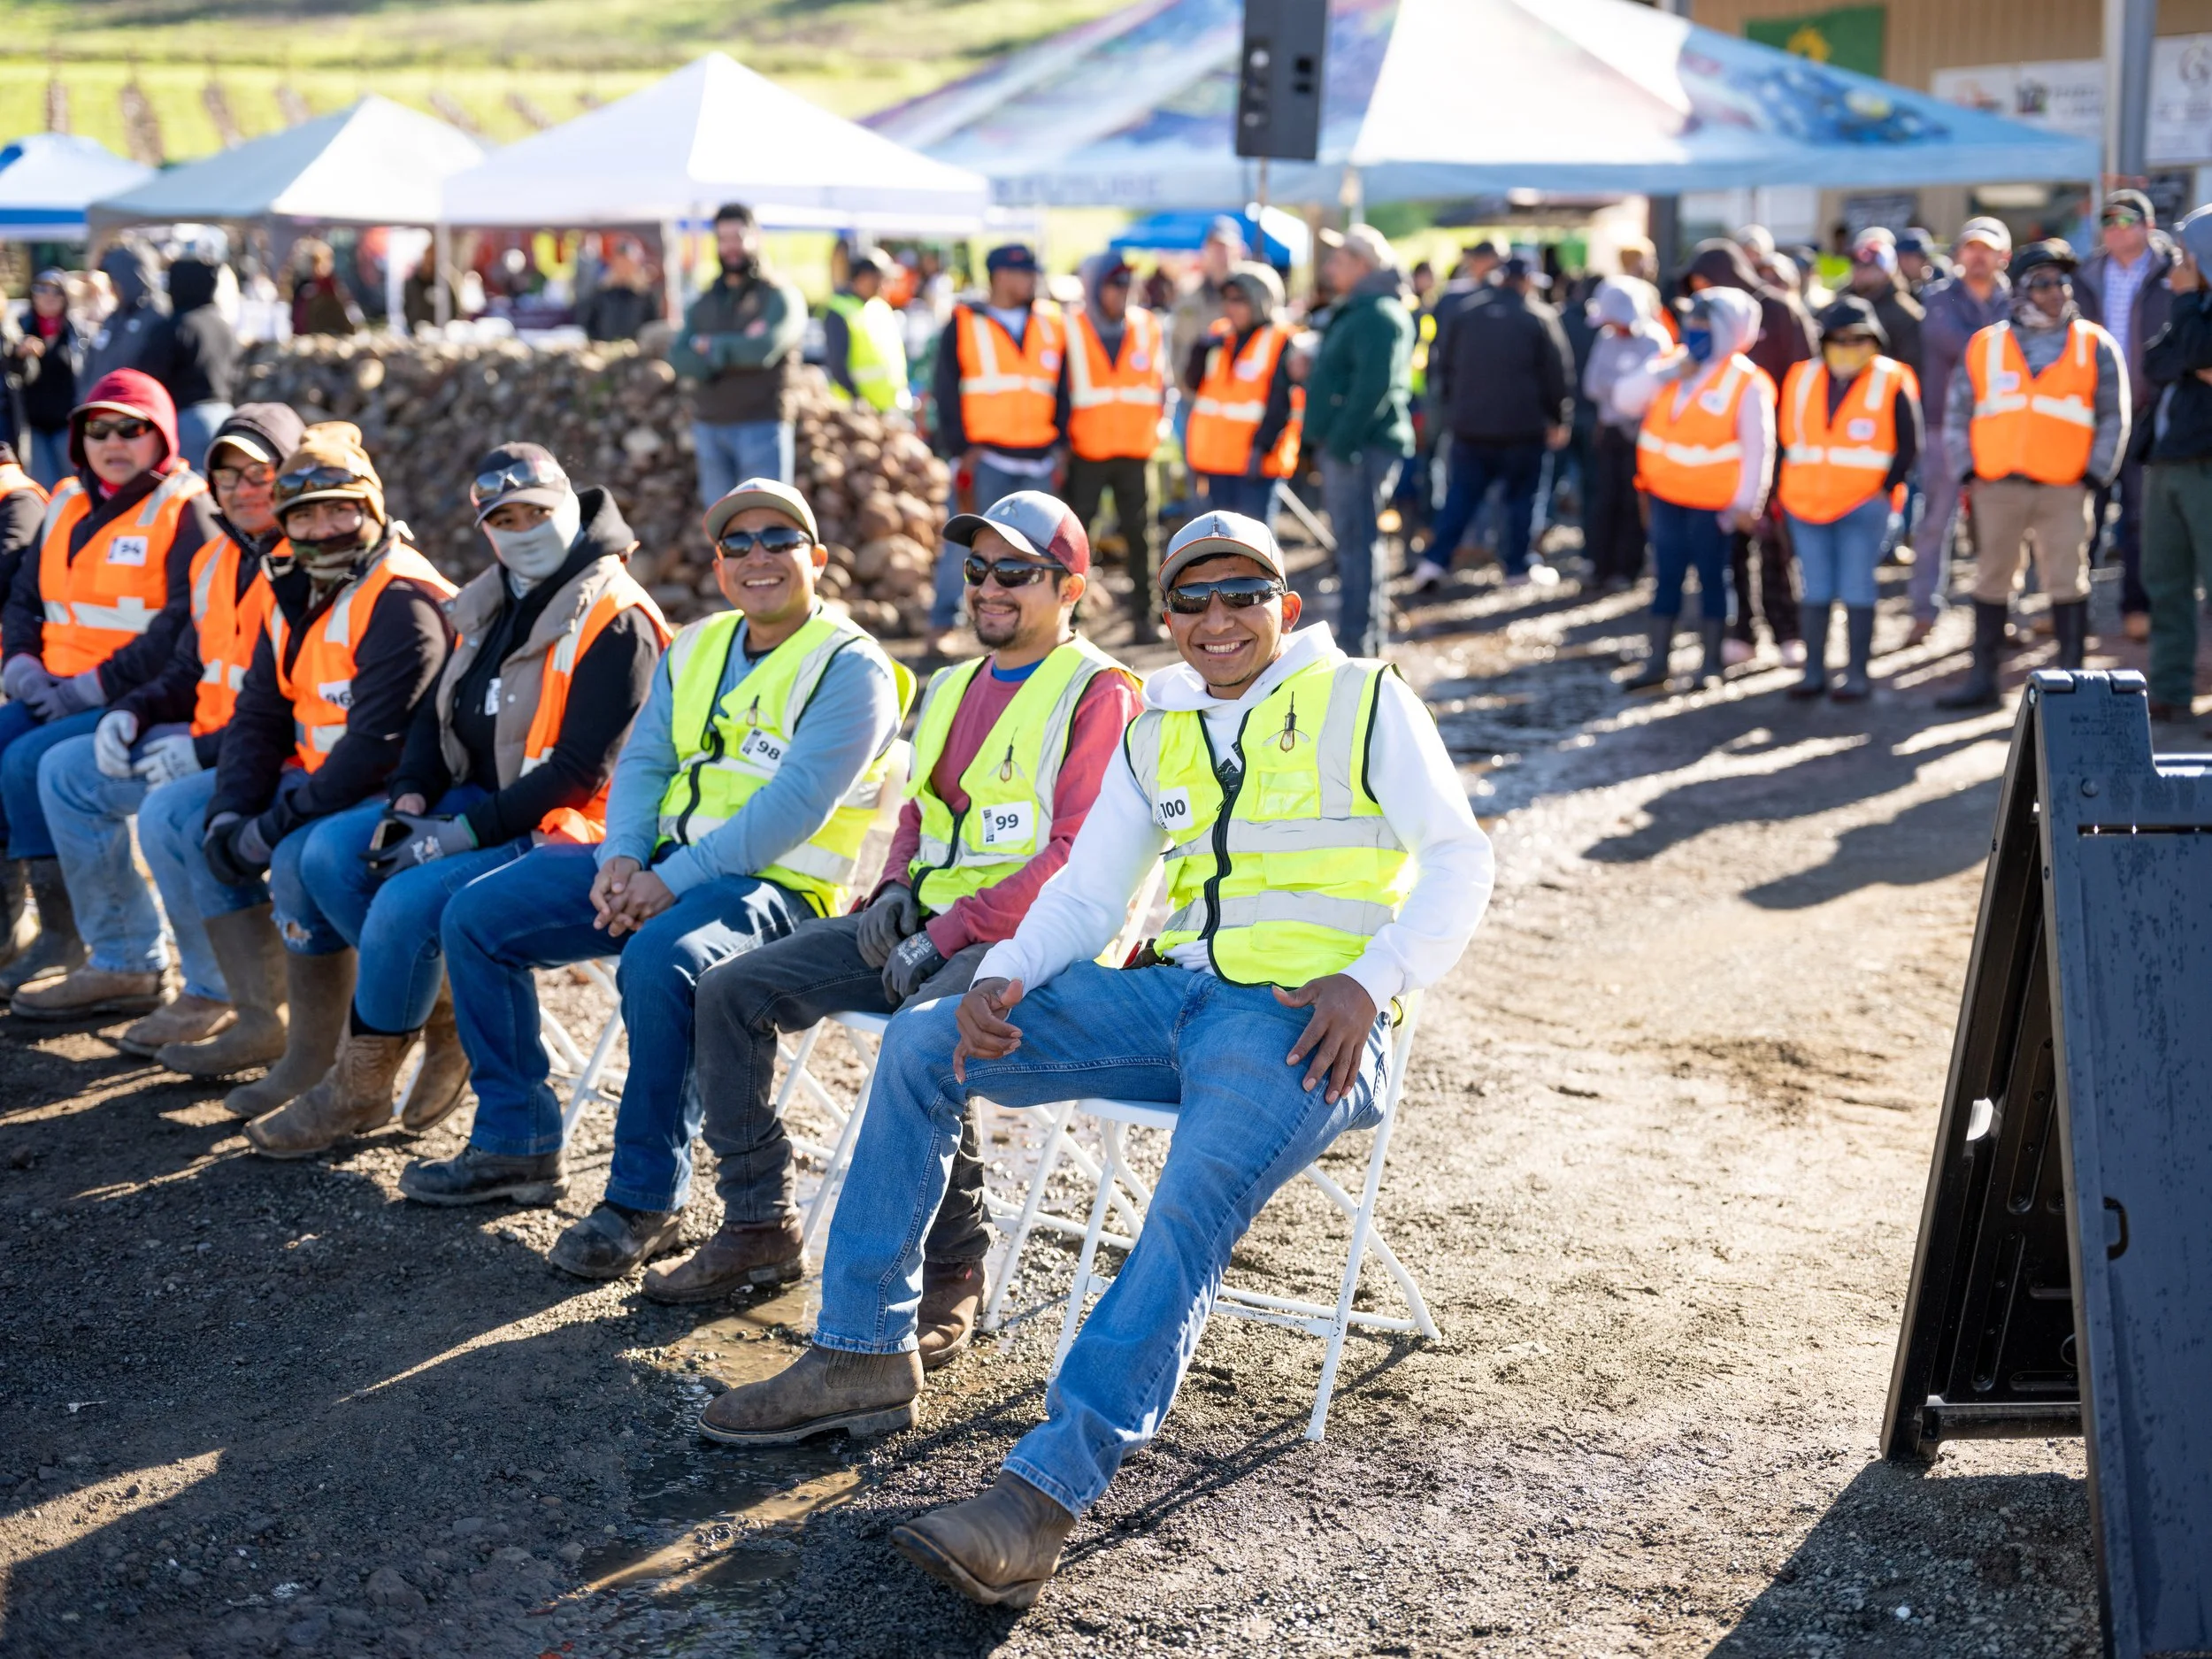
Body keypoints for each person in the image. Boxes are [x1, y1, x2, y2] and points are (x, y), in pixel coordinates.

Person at [694, 509, 1493, 1607]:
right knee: (929, 1041)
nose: (1217, 618)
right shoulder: (1157, 721)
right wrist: (999, 978)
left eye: (1242, 595)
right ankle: (865, 1349)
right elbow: (1087, 892)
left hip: (1309, 1017)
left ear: (1285, 608)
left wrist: (1376, 979)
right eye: (1193, 600)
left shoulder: (1363, 698)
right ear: (1164, 617)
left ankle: (1038, 1502)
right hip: (1170, 996)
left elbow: (1460, 856)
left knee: (1184, 1208)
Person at [657, 493, 1139, 1361]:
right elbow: (919, 818)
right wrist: (888, 890)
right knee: (731, 989)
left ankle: (953, 1265)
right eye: (980, 569)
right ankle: (760, 1218)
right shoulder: (953, 680)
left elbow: (1070, 856)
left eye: (1016, 574)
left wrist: (947, 935)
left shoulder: (1101, 694)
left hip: (1032, 937)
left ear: (1070, 588)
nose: (988, 588)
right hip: (925, 920)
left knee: (922, 1036)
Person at [396, 478, 911, 1282]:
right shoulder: (701, 645)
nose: (757, 557)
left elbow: (796, 807)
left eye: (778, 540)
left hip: (774, 886)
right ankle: (516, 1143)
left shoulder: (852, 668)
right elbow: (644, 763)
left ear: (816, 558)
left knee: (660, 959)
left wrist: (669, 879)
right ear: (718, 565)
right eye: (736, 544)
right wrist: (621, 859)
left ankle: (645, 1199)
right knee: (478, 916)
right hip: (657, 867)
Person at [241, 444, 667, 1156]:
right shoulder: (500, 594)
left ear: (570, 506)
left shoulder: (617, 617)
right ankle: (441, 1017)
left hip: (576, 827)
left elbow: (580, 773)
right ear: (486, 528)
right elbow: (438, 721)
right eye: (504, 516)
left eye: (537, 511)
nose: (523, 527)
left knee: (409, 904)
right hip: (488, 797)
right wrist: (409, 797)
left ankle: (360, 1085)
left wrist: (457, 834)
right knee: (330, 855)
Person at [184, 423, 455, 1124]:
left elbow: (374, 748)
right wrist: (227, 814)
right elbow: (258, 717)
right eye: (304, 514)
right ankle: (294, 1042)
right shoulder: (294, 587)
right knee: (188, 818)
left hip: (403, 789)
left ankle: (443, 1016)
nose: (325, 527)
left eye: (342, 509)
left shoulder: (405, 599)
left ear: (372, 509)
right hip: (322, 780)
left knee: (306, 855)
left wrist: (266, 829)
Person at [19, 405, 302, 1037]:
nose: (241, 491)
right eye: (228, 479)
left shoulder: (310, 561)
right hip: (211, 742)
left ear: (290, 474)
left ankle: (228, 996)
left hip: (276, 760)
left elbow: (293, 706)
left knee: (171, 812)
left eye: (259, 474)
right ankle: (125, 961)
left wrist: (202, 752)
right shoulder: (220, 558)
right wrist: (130, 710)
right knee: (68, 770)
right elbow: (183, 666)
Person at [0, 370, 222, 997]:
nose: (114, 441)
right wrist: (19, 663)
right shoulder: (67, 498)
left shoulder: (186, 508)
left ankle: (112, 948)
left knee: (30, 761)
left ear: (162, 437)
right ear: (80, 438)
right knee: (4, 745)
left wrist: (92, 688)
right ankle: (45, 931)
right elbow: (24, 596)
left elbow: (182, 626)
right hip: (51, 687)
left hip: (132, 698)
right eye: (99, 428)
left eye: (133, 428)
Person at [1937, 242, 2129, 710]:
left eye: (2060, 282)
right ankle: (1983, 679)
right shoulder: (1986, 344)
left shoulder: (2094, 343)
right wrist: (1967, 469)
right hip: (1997, 485)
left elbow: (2113, 415)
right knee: (1991, 578)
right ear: (2021, 290)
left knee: (2068, 579)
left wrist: (2094, 473)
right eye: (2042, 283)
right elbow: (1959, 410)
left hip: (2065, 486)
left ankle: (2074, 685)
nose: (2055, 292)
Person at [1613, 288, 1776, 691]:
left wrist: (1746, 503)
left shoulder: (1747, 381)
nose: (1696, 330)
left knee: (1712, 579)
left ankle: (1711, 663)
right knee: (1665, 576)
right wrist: (1665, 373)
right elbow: (1624, 400)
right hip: (1666, 495)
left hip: (1713, 503)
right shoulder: (1672, 365)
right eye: (1693, 323)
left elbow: (1759, 448)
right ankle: (1658, 662)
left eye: (1705, 324)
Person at [1777, 297, 1922, 702]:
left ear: (1874, 340)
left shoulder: (1892, 379)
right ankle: (1813, 673)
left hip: (1863, 504)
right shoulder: (1800, 377)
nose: (1848, 345)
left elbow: (1910, 444)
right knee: (1815, 588)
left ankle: (1856, 674)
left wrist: (1884, 488)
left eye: (1858, 338)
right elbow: (1784, 440)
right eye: (1839, 338)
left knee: (1857, 585)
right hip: (1805, 503)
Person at [926, 244, 1069, 647]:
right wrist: (960, 448)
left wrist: (1060, 443)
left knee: (1042, 552)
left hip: (1038, 458)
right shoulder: (964, 322)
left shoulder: (1052, 322)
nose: (1031, 281)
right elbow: (945, 388)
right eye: (1024, 273)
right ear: (1000, 276)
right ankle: (943, 624)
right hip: (985, 457)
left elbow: (1062, 386)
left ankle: (1041, 628)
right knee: (965, 546)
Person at [1683, 239, 1814, 668]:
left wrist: (1794, 447)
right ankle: (1743, 631)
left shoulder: (1779, 310)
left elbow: (1803, 377)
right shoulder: (1709, 315)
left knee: (1776, 545)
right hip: (1724, 452)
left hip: (1776, 446)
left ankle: (1788, 630)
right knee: (1733, 547)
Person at [1413, 253, 1573, 590]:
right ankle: (1517, 567)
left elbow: (1443, 366)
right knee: (1522, 501)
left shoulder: (1467, 312)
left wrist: (1452, 408)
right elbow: (1557, 375)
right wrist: (1560, 418)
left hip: (1471, 426)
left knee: (1460, 498)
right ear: (1527, 281)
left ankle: (1434, 562)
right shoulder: (1538, 315)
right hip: (1522, 428)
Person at [1304, 226, 1416, 659]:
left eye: (1338, 259)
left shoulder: (1378, 313)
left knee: (1358, 544)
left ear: (1362, 264)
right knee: (1355, 544)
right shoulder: (1366, 309)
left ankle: (1359, 644)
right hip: (1355, 445)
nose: (1329, 266)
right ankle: (1360, 639)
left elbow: (1374, 386)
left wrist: (1341, 441)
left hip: (1361, 448)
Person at [2076, 188, 2177, 642]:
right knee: (2083, 515)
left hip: (2150, 412)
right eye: (2109, 221)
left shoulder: (2173, 272)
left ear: (2148, 225)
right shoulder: (2085, 275)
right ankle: (2072, 609)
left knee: (2140, 516)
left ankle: (2137, 606)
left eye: (2127, 221)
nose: (2117, 230)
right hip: (2091, 415)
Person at [1906, 218, 2012, 646]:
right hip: (1943, 424)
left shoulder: (2018, 298)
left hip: (2002, 424)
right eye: (1970, 247)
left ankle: (2004, 612)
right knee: (1935, 521)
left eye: (1986, 248)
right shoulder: (1937, 298)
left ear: (2003, 255)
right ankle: (1922, 610)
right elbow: (1963, 346)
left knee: (2005, 523)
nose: (1977, 255)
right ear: (1958, 254)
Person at [670, 204, 808, 503]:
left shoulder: (779, 296)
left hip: (761, 426)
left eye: (738, 237)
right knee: (722, 534)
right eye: (723, 239)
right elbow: (679, 357)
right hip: (710, 427)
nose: (731, 247)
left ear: (756, 238)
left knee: (767, 525)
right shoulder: (706, 301)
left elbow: (764, 349)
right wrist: (734, 347)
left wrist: (711, 347)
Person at [2135, 206, 2212, 725]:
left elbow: (2196, 351)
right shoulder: (2192, 307)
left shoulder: (2191, 305)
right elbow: (2157, 361)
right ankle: (2169, 690)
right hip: (2165, 465)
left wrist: (2188, 308)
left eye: (2187, 256)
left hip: (2206, 469)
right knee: (2165, 584)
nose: (2177, 268)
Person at [1062, 256, 1164, 638]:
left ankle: (1146, 616)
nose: (1122, 293)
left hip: (1136, 450)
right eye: (1114, 285)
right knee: (1076, 536)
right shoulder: (1070, 327)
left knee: (1140, 535)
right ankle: (1071, 617)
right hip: (1087, 450)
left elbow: (1159, 382)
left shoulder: (1146, 325)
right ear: (1095, 287)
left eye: (1127, 286)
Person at [1181, 262, 1299, 540]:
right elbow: (1192, 384)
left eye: (1240, 300)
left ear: (1261, 300)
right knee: (1222, 546)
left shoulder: (1283, 339)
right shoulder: (1220, 335)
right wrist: (1200, 349)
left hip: (1255, 464)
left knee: (1255, 546)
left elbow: (1282, 403)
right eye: (1227, 299)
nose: (1230, 307)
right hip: (1217, 460)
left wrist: (1261, 448)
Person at [1580, 276, 1669, 592]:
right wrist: (1626, 389)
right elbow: (1592, 384)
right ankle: (1598, 564)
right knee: (1605, 499)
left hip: (1643, 436)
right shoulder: (1605, 339)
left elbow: (1659, 387)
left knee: (1635, 503)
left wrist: (1621, 390)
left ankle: (1627, 568)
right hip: (1610, 433)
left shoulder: (1656, 340)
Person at [148, 257, 238, 472]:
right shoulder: (222, 325)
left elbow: (152, 374)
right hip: (226, 412)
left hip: (189, 419)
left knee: (195, 489)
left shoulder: (177, 325)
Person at [9, 272, 85, 488]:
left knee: (72, 486)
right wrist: (19, 354)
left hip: (67, 423)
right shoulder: (18, 329)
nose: (49, 296)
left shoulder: (77, 332)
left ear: (65, 297)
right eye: (41, 289)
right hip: (32, 426)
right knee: (42, 486)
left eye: (56, 291)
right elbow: (13, 376)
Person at [822, 249, 912, 415]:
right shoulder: (839, 310)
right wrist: (857, 398)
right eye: (881, 279)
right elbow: (836, 363)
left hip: (888, 408)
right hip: (855, 412)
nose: (887, 286)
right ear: (863, 278)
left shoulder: (880, 306)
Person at [1165, 217, 1246, 377]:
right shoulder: (1187, 296)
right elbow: (1175, 344)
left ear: (1239, 250)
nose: (1218, 253)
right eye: (1213, 246)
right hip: (1192, 395)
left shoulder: (1250, 297)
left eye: (1224, 246)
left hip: (1237, 392)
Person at [82, 245, 167, 385]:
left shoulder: (158, 315)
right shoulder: (114, 318)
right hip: (100, 401)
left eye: (115, 280)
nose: (112, 287)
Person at [575, 238, 657, 345]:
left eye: (627, 263)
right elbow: (586, 320)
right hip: (605, 347)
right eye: (620, 262)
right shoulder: (601, 291)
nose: (624, 267)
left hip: (635, 348)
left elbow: (652, 324)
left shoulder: (644, 294)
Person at [288, 242, 361, 338]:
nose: (323, 265)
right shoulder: (305, 290)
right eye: (317, 261)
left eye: (327, 260)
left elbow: (348, 321)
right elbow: (299, 322)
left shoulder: (337, 287)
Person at [1896, 228, 1951, 296]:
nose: (1926, 262)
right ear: (1903, 259)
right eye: (1922, 257)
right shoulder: (1889, 292)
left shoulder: (1936, 277)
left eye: (1927, 257)